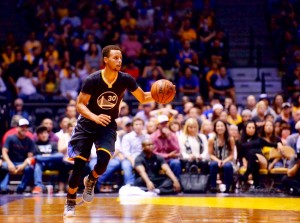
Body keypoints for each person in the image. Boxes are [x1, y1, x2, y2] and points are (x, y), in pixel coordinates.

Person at [64, 45, 159, 217]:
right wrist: (95, 117)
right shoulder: (92, 80)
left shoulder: (125, 79)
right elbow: (79, 105)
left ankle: (92, 179)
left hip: (107, 125)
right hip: (86, 124)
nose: (119, 60)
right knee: (78, 168)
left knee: (104, 161)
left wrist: (160, 95)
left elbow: (143, 97)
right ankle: (70, 200)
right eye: (115, 57)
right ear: (105, 60)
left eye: (121, 57)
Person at [1, 118, 35, 194]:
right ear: (17, 128)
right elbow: (4, 151)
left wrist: (23, 165)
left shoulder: (30, 141)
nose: (24, 129)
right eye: (22, 127)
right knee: (3, 166)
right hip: (10, 161)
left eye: (26, 127)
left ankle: (21, 189)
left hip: (22, 163)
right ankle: (3, 188)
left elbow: (30, 157)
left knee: (30, 168)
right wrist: (10, 163)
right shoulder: (10, 138)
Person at [32, 125, 64, 194]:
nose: (44, 135)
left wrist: (42, 157)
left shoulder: (53, 144)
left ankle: (62, 188)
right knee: (37, 164)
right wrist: (49, 156)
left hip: (52, 163)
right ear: (37, 135)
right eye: (41, 133)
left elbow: (58, 156)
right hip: (42, 165)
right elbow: (34, 157)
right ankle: (38, 187)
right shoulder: (35, 145)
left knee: (60, 156)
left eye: (45, 133)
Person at [150, 115, 182, 180]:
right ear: (158, 125)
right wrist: (167, 155)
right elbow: (153, 153)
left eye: (166, 123)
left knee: (176, 163)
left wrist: (169, 138)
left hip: (170, 160)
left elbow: (177, 150)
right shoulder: (153, 137)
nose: (164, 125)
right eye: (162, 124)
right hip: (158, 160)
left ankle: (176, 183)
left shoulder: (172, 135)